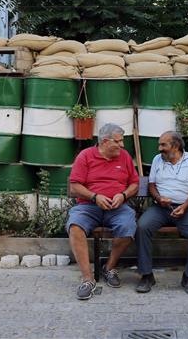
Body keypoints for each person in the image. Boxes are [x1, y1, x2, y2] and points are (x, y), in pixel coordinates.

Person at [66, 123, 140, 300]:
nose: (122, 146)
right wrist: (94, 196)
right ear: (105, 142)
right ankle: (87, 279)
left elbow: (135, 184)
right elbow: (74, 185)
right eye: (118, 141)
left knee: (128, 226)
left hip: (117, 207)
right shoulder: (85, 156)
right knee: (75, 226)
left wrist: (123, 195)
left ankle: (109, 267)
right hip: (89, 206)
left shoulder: (124, 157)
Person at [135, 131, 188, 294]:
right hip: (160, 208)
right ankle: (147, 275)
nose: (159, 148)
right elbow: (151, 185)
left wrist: (184, 206)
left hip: (186, 208)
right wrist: (159, 198)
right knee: (142, 227)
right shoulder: (157, 160)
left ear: (175, 146)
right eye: (159, 144)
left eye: (163, 145)